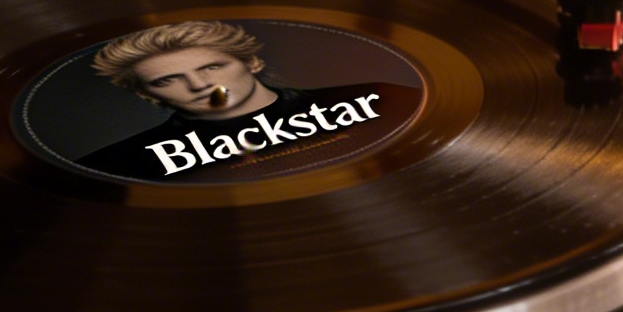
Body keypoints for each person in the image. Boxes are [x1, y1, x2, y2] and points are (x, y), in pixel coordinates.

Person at [73, 20, 408, 182]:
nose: (200, 85)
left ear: (252, 62)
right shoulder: (113, 168)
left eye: (213, 66)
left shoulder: (381, 100)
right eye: (168, 79)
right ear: (146, 94)